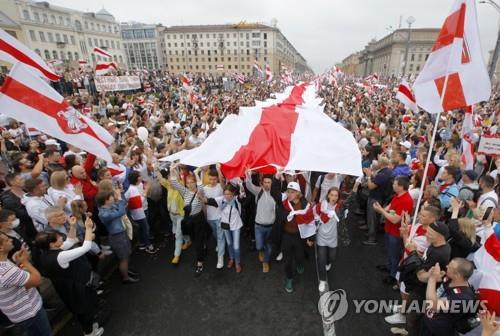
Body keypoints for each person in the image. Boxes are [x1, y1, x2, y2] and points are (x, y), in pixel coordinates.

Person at [34, 217, 104, 336]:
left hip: (68, 288)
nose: (62, 237)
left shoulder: (47, 253)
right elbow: (85, 247)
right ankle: (90, 332)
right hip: (77, 288)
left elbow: (71, 241)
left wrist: (72, 226)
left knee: (81, 309)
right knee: (85, 310)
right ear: (52, 244)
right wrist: (88, 228)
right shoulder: (60, 256)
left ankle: (88, 328)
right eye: (59, 237)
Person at [0, 234, 51, 336]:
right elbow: (37, 280)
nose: (10, 239)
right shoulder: (6, 270)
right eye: (6, 239)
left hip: (19, 313)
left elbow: (12, 282)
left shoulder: (4, 264)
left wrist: (18, 263)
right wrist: (25, 261)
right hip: (31, 314)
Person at [406, 221, 452, 336]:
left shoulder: (439, 253)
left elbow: (422, 277)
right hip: (422, 290)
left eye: (430, 233)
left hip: (422, 292)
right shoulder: (438, 245)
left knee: (413, 319)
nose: (426, 234)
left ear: (439, 236)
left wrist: (413, 253)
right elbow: (425, 261)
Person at [373, 176, 414, 285]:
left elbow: (395, 219)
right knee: (390, 251)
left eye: (395, 184)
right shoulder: (398, 195)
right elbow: (391, 208)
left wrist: (381, 210)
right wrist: (382, 209)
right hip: (389, 229)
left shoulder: (406, 200)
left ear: (401, 187)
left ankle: (393, 275)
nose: (393, 185)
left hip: (395, 232)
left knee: (394, 254)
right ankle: (389, 266)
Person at [169, 164, 209, 276]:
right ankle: (204, 246)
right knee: (195, 239)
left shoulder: (199, 191)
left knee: (198, 243)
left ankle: (200, 264)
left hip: (199, 219)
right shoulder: (185, 192)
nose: (190, 184)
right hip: (189, 221)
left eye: (192, 182)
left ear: (195, 182)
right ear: (186, 184)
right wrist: (172, 171)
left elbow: (200, 186)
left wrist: (196, 174)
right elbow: (174, 183)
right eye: (188, 182)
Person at [422, 258, 476, 336]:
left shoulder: (464, 298)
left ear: (457, 275)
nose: (447, 266)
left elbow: (433, 304)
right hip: (428, 322)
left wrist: (432, 279)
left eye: (450, 267)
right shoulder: (450, 278)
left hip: (439, 331)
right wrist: (434, 277)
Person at [97, 189, 139, 284]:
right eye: (111, 196)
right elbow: (121, 212)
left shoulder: (110, 206)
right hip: (117, 237)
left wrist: (119, 199)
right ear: (106, 200)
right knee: (123, 258)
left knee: (126, 255)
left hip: (121, 234)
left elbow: (123, 203)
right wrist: (119, 198)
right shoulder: (104, 214)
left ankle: (126, 271)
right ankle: (126, 277)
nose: (113, 197)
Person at [281, 181, 315, 293]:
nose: (289, 194)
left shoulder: (305, 206)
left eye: (292, 192)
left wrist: (311, 238)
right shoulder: (284, 203)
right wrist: (277, 177)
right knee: (287, 261)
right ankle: (289, 279)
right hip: (286, 235)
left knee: (299, 256)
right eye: (288, 192)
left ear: (298, 193)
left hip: (299, 236)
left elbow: (310, 222)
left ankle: (300, 264)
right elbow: (274, 192)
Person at [203, 183, 245, 273]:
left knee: (236, 246)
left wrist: (241, 186)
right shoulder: (221, 200)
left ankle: (237, 263)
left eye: (229, 194)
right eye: (225, 194)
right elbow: (208, 201)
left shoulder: (236, 199)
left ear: (233, 194)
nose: (227, 196)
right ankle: (231, 259)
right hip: (225, 226)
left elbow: (242, 196)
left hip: (236, 226)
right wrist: (198, 194)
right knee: (229, 244)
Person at [245, 170, 281, 273]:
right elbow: (248, 185)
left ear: (272, 183)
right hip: (258, 226)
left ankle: (265, 262)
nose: (266, 184)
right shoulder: (258, 191)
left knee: (269, 247)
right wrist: (248, 174)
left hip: (271, 226)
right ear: (262, 182)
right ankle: (260, 251)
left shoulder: (276, 195)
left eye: (269, 182)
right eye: (265, 182)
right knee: (259, 246)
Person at [195, 168, 225, 269]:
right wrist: (196, 173)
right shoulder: (205, 188)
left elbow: (222, 180)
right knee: (215, 234)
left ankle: (220, 258)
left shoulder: (220, 187)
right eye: (211, 179)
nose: (213, 181)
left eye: (214, 179)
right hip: (210, 217)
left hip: (220, 216)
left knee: (220, 237)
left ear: (217, 179)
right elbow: (200, 192)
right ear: (208, 178)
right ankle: (220, 245)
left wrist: (218, 169)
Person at [157, 168, 188, 265]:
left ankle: (176, 255)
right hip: (172, 215)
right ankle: (188, 240)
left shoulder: (180, 188)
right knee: (179, 231)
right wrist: (155, 168)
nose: (170, 182)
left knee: (178, 235)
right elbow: (161, 179)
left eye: (172, 180)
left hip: (180, 216)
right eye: (169, 180)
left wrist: (174, 170)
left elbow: (179, 179)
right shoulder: (169, 187)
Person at [314, 187, 341, 292]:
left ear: (338, 197)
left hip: (333, 238)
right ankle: (322, 280)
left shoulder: (339, 207)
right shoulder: (322, 205)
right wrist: (317, 219)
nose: (334, 197)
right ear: (328, 195)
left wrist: (356, 185)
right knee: (321, 259)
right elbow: (314, 211)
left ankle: (328, 262)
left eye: (336, 195)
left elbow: (350, 200)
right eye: (332, 195)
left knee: (332, 257)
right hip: (321, 236)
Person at [124, 170, 156, 254]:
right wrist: (146, 191)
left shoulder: (138, 185)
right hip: (140, 213)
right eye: (140, 176)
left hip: (142, 210)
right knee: (145, 228)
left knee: (142, 228)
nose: (141, 177)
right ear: (136, 178)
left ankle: (142, 244)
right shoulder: (133, 190)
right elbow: (138, 202)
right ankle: (148, 245)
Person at [363, 156, 393, 245]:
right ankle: (371, 234)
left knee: (372, 219)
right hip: (380, 198)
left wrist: (368, 177)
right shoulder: (387, 172)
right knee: (374, 218)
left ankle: (372, 238)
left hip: (375, 198)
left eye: (378, 161)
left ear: (381, 164)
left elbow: (371, 186)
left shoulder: (382, 174)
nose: (376, 162)